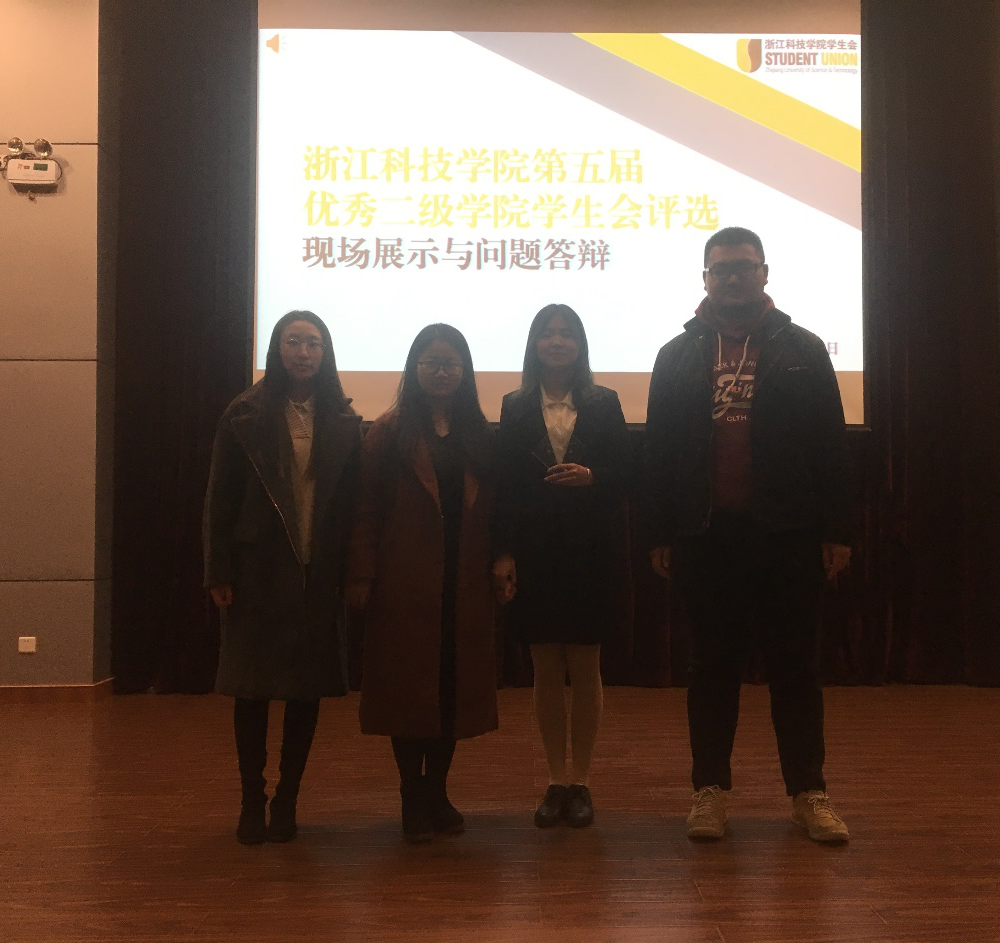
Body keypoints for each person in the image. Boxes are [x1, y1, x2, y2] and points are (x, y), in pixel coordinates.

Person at [643, 226, 853, 843]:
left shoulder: (803, 348)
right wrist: (661, 531)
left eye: (743, 266)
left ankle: (809, 793)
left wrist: (837, 530)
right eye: (721, 269)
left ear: (764, 272)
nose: (732, 277)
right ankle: (708, 792)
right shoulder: (676, 354)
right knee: (711, 668)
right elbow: (658, 452)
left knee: (796, 669)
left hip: (787, 535)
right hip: (706, 536)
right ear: (705, 279)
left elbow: (831, 445)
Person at [203, 310, 362, 845]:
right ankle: (252, 798)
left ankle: (288, 798)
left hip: (318, 571)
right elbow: (219, 498)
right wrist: (218, 568)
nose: (303, 351)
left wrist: (353, 571)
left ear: (325, 352)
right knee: (252, 691)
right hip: (258, 569)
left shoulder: (342, 417)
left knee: (304, 691)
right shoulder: (244, 413)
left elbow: (352, 508)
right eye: (293, 341)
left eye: (313, 343)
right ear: (276, 349)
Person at [346, 324, 499, 843]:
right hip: (404, 582)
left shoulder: (478, 432)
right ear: (414, 368)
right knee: (410, 693)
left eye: (451, 363)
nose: (442, 371)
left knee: (451, 691)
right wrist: (362, 574)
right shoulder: (388, 431)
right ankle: (412, 794)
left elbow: (495, 511)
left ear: (465, 372)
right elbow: (365, 511)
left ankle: (438, 790)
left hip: (463, 581)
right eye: (431, 362)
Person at [493, 304, 632, 829]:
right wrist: (504, 552)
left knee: (587, 665)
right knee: (545, 667)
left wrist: (593, 477)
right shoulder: (514, 405)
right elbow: (505, 487)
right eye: (547, 334)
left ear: (580, 344)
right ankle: (555, 779)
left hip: (590, 550)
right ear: (534, 344)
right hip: (535, 552)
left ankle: (583, 780)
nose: (556, 342)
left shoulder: (604, 401)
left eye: (566, 334)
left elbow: (629, 472)